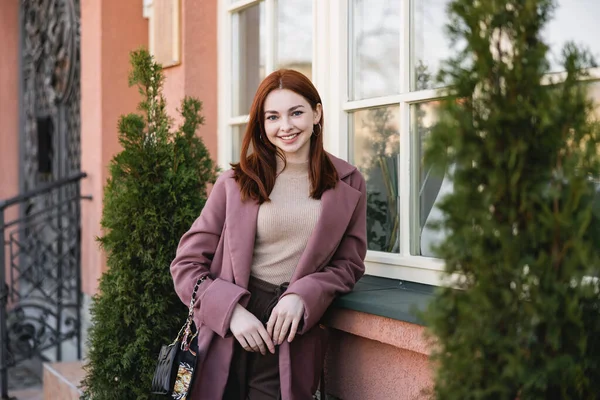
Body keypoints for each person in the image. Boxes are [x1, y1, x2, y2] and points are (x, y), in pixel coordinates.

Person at [170, 69, 367, 400]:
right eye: (272, 117)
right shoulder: (234, 182)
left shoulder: (348, 181)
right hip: (230, 325)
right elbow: (186, 264)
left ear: (317, 113)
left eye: (296, 112)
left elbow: (349, 264)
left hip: (290, 328)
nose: (285, 126)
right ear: (261, 125)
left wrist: (302, 295)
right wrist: (230, 312)